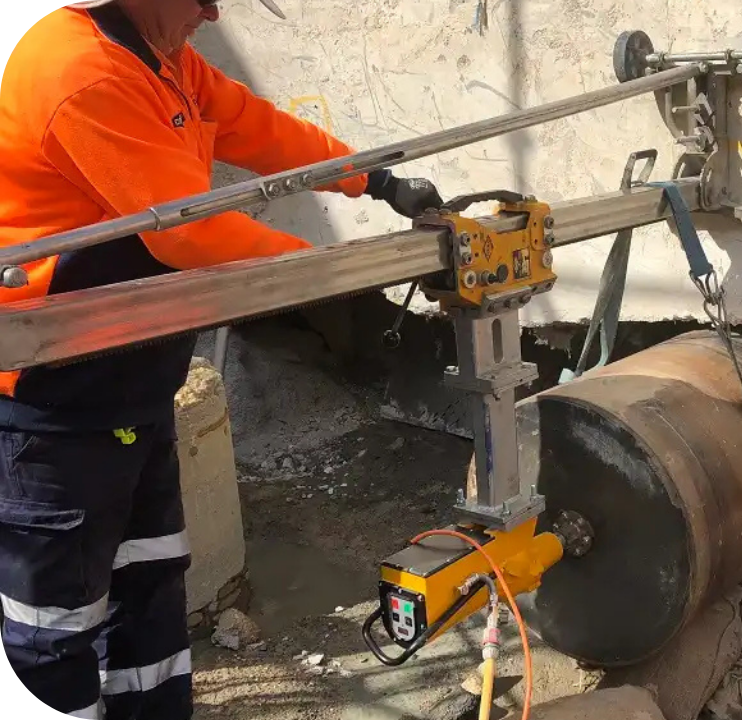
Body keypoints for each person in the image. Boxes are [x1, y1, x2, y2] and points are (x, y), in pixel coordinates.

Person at [0, 2, 443, 718]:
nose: (211, 9)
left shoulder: (162, 57)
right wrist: (339, 274)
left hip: (134, 388)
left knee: (148, 589)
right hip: (58, 405)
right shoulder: (81, 71)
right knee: (56, 628)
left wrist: (372, 181)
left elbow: (256, 128)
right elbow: (186, 231)